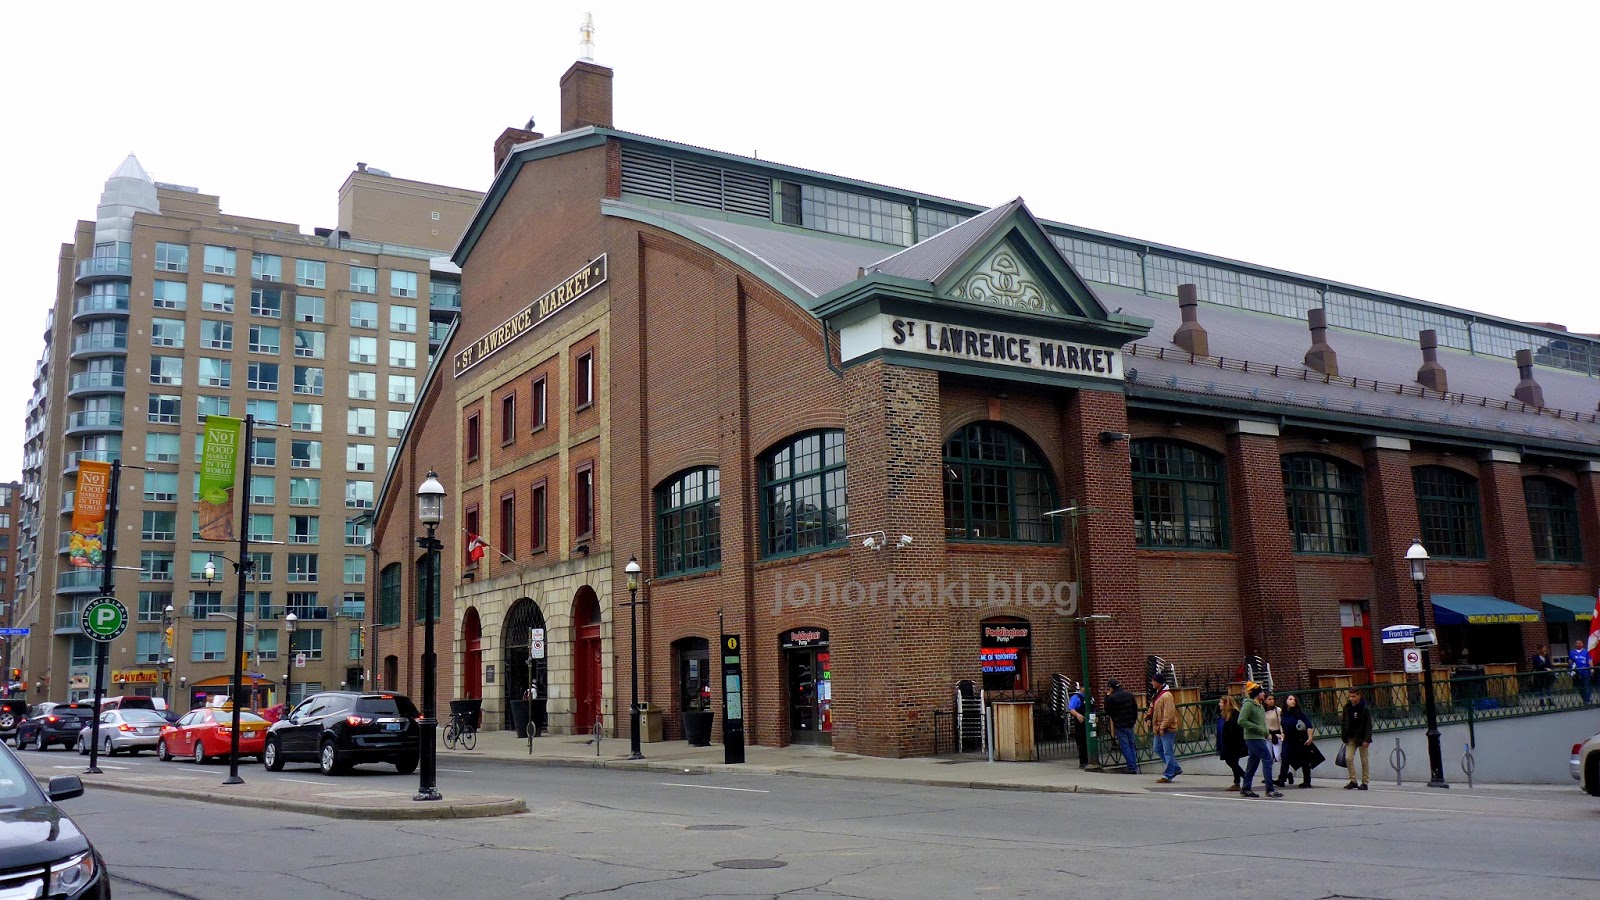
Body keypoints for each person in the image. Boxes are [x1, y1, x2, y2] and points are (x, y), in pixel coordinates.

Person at [1237, 685, 1281, 798]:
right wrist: (1258, 728)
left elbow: (1262, 722)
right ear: (1257, 693)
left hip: (1260, 737)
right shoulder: (1248, 705)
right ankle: (1269, 789)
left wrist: (1265, 732)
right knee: (1267, 759)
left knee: (1253, 763)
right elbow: (1241, 720)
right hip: (1253, 738)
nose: (1264, 694)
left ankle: (1246, 788)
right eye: (1261, 692)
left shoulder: (1260, 706)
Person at [1277, 694, 1316, 788]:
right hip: (1288, 740)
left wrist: (1310, 738)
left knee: (1304, 761)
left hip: (1299, 739)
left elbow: (1308, 725)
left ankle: (1307, 781)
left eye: (1294, 699)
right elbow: (1284, 727)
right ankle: (1281, 780)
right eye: (1290, 699)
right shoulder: (1283, 714)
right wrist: (1282, 736)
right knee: (1285, 759)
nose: (1292, 701)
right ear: (1286, 701)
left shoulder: (1299, 714)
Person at [1103, 678, 1141, 774]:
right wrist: (1133, 720)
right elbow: (1135, 708)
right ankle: (1134, 764)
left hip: (1120, 724)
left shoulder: (1112, 698)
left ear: (1111, 688)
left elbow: (1107, 709)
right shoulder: (1129, 694)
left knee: (1125, 746)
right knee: (1131, 744)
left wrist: (1106, 697)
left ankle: (1131, 767)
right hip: (1130, 723)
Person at [1147, 674, 1180, 783]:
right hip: (1158, 727)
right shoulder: (1157, 694)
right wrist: (1148, 717)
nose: (1152, 683)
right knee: (1157, 748)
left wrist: (1163, 726)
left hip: (1166, 728)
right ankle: (1175, 768)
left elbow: (1169, 714)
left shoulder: (1167, 696)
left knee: (1167, 751)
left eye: (1153, 681)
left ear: (1158, 682)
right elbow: (1152, 706)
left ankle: (1168, 774)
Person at [1340, 687, 1373, 790]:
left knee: (1364, 760)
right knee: (1348, 758)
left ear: (1359, 696)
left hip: (1362, 737)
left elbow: (1368, 725)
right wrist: (1344, 735)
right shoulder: (1347, 707)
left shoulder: (1364, 708)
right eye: (1350, 696)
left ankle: (1365, 782)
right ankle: (1353, 780)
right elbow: (1344, 722)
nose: (1351, 699)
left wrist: (1367, 739)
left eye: (1354, 696)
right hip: (1351, 736)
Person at [1215, 694, 1247, 790]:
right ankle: (1237, 782)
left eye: (1221, 702)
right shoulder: (1223, 715)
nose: (1219, 704)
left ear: (1226, 704)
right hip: (1226, 743)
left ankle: (1245, 777)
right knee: (1232, 762)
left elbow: (1236, 730)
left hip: (1233, 744)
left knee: (1231, 762)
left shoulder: (1235, 715)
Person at [1067, 684, 1089, 767]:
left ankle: (1090, 759)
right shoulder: (1076, 697)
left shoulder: (1090, 697)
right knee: (1082, 742)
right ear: (1081, 688)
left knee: (1088, 741)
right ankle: (1083, 762)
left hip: (1089, 723)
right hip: (1080, 723)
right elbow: (1071, 708)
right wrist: (1078, 715)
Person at [1263, 692, 1283, 770]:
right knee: (1268, 757)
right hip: (1267, 735)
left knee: (1278, 756)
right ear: (1264, 700)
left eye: (1273, 699)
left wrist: (1282, 734)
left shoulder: (1277, 710)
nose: (1271, 701)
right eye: (1269, 699)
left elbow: (1281, 723)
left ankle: (1287, 773)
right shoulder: (1262, 711)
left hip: (1276, 735)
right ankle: (1268, 776)